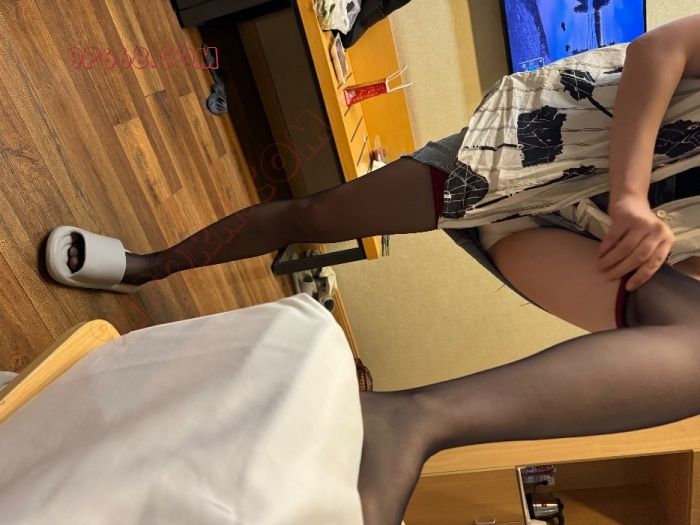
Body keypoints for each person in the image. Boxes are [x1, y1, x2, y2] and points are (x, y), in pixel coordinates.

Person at [44, 15, 700, 524]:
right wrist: (630, 197)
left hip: (593, 243)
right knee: (316, 214)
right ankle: (148, 265)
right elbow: (659, 51)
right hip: (547, 149)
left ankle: (411, 420)